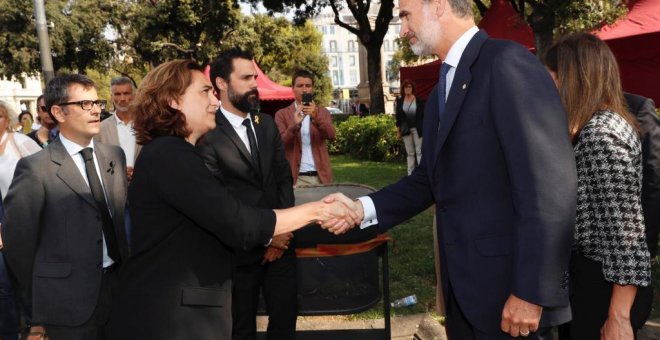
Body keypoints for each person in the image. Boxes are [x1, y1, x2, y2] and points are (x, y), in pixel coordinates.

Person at [326, 0, 577, 338]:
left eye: (405, 16)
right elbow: (430, 178)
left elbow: (551, 189)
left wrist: (531, 292)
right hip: (465, 296)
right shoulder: (446, 79)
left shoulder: (506, 63)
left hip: (511, 299)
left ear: (439, 6)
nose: (401, 31)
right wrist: (362, 209)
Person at [109, 59, 357, 340]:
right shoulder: (170, 155)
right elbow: (237, 221)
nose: (214, 102)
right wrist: (317, 211)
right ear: (173, 100)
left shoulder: (174, 153)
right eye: (205, 92)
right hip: (174, 320)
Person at [1, 74, 130, 340]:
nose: (96, 109)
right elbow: (19, 245)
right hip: (65, 305)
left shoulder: (114, 156)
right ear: (58, 111)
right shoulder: (36, 168)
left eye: (97, 102)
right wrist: (38, 308)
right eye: (85, 104)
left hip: (118, 294)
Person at [545, 33, 651, 340]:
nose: (548, 88)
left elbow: (626, 238)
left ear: (572, 78)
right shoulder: (609, 122)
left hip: (604, 286)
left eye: (551, 78)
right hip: (602, 281)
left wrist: (618, 316)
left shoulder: (600, 135)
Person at [199, 48, 297, 340]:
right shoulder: (208, 134)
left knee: (284, 322)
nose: (254, 83)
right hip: (237, 254)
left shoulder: (264, 124)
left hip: (282, 248)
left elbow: (283, 180)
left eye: (254, 76)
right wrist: (268, 235)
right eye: (246, 78)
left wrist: (283, 233)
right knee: (241, 329)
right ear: (221, 83)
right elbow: (219, 201)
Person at [0, 101, 39, 340]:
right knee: (4, 284)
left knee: (27, 279)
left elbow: (47, 173)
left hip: (26, 218)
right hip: (2, 220)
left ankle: (39, 327)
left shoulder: (22, 143)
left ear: (7, 118)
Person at [275, 70, 336, 187]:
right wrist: (294, 124)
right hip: (295, 178)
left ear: (312, 89)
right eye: (300, 86)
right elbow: (280, 144)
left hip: (320, 177)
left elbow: (331, 134)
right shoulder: (282, 114)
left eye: (308, 86)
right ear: (293, 88)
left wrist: (316, 117)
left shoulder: (322, 112)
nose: (304, 89)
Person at [96, 77, 141, 181]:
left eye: (126, 93)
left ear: (134, 96)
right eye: (117, 94)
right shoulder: (100, 129)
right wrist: (118, 171)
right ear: (111, 97)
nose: (122, 99)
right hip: (114, 188)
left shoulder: (147, 125)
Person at [395, 80, 425, 175]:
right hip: (405, 130)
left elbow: (423, 116)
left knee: (419, 151)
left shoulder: (419, 101)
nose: (407, 89)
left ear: (412, 89)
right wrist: (398, 130)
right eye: (405, 87)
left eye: (409, 87)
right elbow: (398, 117)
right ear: (403, 89)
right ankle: (410, 174)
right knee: (410, 153)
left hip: (417, 129)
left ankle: (420, 173)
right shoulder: (400, 101)